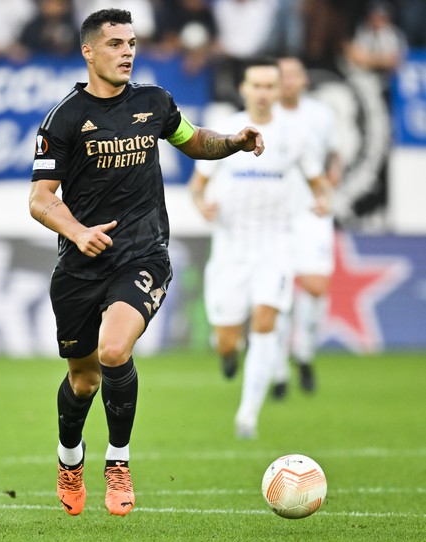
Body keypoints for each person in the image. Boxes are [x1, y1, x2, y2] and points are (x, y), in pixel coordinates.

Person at [29, 8, 264, 517]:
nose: (127, 51)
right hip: (80, 265)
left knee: (115, 352)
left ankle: (118, 462)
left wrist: (234, 144)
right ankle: (70, 459)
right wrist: (77, 231)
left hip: (144, 255)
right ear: (88, 51)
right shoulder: (63, 118)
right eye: (115, 43)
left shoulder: (155, 103)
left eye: (132, 42)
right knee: (83, 380)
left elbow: (194, 141)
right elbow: (41, 198)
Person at [187, 57, 331, 439]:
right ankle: (229, 355)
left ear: (279, 89)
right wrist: (204, 207)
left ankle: (247, 415)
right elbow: (197, 187)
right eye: (258, 85)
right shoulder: (224, 130)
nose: (265, 92)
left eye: (272, 85)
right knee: (228, 337)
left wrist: (322, 200)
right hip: (231, 248)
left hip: (276, 246)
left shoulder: (295, 133)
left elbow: (318, 181)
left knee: (266, 322)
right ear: (244, 89)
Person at [270, 56, 341, 398]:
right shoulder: (267, 116)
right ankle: (280, 370)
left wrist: (328, 190)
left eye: (293, 75)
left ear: (303, 80)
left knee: (315, 287)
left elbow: (334, 157)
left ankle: (305, 352)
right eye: (281, 76)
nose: (287, 81)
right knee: (279, 291)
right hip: (277, 216)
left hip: (312, 212)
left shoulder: (321, 116)